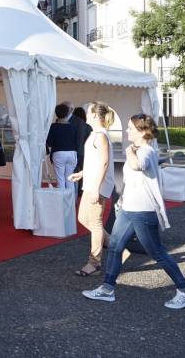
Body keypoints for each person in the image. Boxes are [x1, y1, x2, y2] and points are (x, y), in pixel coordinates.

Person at [83, 114, 185, 309]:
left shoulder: (145, 151)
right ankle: (107, 289)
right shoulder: (141, 149)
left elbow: (138, 165)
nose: (126, 131)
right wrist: (122, 201)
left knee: (157, 253)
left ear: (142, 131)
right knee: (115, 247)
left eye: (130, 128)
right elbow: (134, 180)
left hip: (143, 212)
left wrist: (129, 151)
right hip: (129, 210)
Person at [68, 102, 116, 277]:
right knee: (83, 218)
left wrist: (96, 188)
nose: (86, 115)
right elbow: (95, 161)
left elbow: (104, 162)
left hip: (97, 185)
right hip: (91, 183)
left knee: (95, 224)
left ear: (96, 115)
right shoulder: (96, 134)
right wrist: (82, 173)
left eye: (89, 112)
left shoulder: (101, 135)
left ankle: (94, 263)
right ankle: (114, 245)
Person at [45, 103, 78, 190]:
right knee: (70, 180)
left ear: (56, 113)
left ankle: (61, 202)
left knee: (61, 181)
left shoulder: (53, 127)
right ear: (68, 113)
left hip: (58, 153)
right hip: (72, 153)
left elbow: (49, 142)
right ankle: (71, 203)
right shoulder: (73, 127)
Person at [72, 106, 93, 181]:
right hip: (86, 153)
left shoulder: (72, 126)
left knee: (73, 174)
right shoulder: (88, 127)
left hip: (74, 152)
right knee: (84, 173)